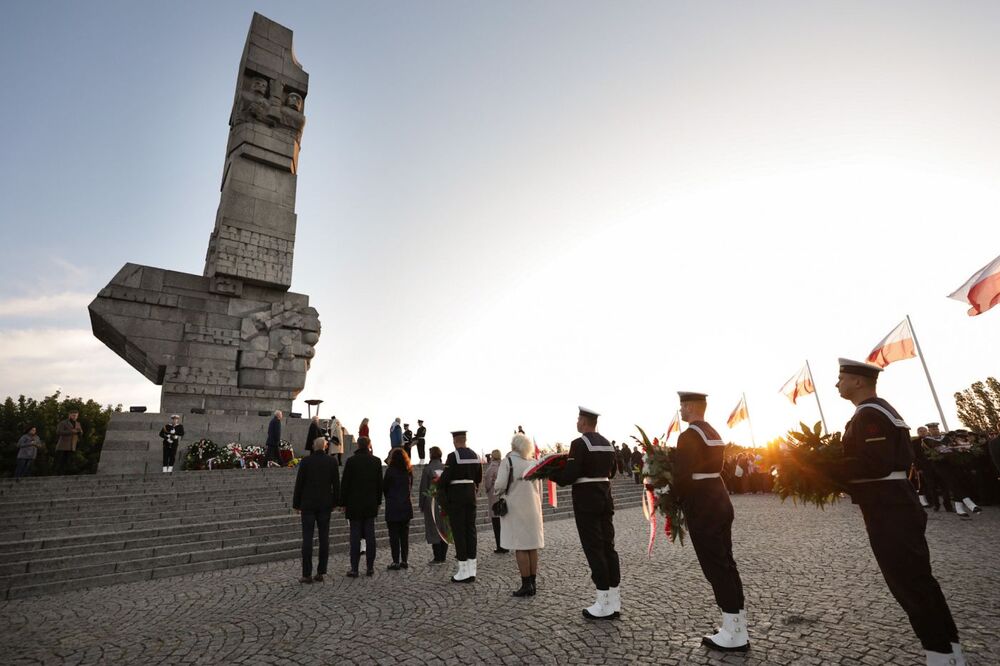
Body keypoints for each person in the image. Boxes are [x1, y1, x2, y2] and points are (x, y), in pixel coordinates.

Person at [822, 359, 965, 666]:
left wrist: (821, 467)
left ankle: (940, 655)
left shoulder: (870, 413)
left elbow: (875, 463)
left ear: (859, 382)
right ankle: (948, 652)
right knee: (919, 581)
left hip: (889, 506)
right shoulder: (878, 410)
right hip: (893, 502)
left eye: (841, 378)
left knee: (909, 584)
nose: (837, 384)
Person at [674, 392, 748, 652]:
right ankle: (736, 624)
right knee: (726, 562)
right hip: (719, 497)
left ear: (692, 407)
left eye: (683, 406)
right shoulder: (713, 432)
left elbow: (682, 475)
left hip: (703, 503)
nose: (681, 410)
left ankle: (734, 632)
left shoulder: (689, 436)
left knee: (715, 567)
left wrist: (670, 497)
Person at [551, 407, 621, 620]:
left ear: (583, 422)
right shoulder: (608, 443)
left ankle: (603, 602)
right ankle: (614, 598)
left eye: (578, 419)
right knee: (608, 546)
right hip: (604, 497)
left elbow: (570, 475)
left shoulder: (579, 443)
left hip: (586, 500)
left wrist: (551, 472)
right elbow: (613, 471)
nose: (577, 423)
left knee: (594, 548)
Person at [495, 433, 544, 597]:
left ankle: (526, 584)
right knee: (532, 545)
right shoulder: (533, 463)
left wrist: (498, 491)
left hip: (515, 508)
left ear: (513, 446)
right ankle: (533, 583)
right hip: (533, 508)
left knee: (520, 546)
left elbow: (500, 485)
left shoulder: (508, 462)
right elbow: (540, 490)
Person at [292, 436, 341, 583]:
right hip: (325, 504)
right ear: (326, 447)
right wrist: (336, 502)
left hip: (307, 504)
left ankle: (306, 574)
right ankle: (321, 571)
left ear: (314, 447)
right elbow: (336, 485)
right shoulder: (332, 461)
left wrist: (296, 504)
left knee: (307, 538)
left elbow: (299, 483)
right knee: (324, 538)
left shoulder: (306, 462)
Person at [438, 430, 482, 583]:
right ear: (465, 440)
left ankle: (463, 570)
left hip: (457, 498)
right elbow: (478, 478)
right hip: (471, 496)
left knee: (459, 532)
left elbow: (445, 479)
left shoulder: (453, 456)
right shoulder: (476, 455)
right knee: (471, 531)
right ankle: (472, 569)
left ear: (455, 441)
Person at [340, 436, 383, 577]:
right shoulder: (376, 461)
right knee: (370, 537)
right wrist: (378, 502)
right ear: (369, 445)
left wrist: (343, 503)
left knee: (355, 537)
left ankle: (354, 568)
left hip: (354, 505)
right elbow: (379, 485)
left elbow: (345, 484)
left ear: (358, 445)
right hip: (370, 505)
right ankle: (370, 567)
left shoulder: (351, 461)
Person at [383, 448, 414, 570]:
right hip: (406, 505)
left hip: (393, 506)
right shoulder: (409, 471)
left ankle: (395, 561)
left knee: (394, 536)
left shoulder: (390, 471)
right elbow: (410, 487)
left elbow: (384, 487)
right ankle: (404, 560)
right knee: (404, 536)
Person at [419, 446, 449, 564]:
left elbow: (423, 487)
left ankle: (437, 556)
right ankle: (444, 555)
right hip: (444, 502)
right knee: (444, 528)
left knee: (433, 528)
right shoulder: (445, 468)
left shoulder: (427, 469)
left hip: (431, 502)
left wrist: (422, 504)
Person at [483, 450, 508, 554]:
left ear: (492, 457)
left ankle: (500, 546)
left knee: (496, 525)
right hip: (504, 498)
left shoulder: (490, 469)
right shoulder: (504, 467)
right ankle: (506, 545)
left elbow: (487, 485)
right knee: (504, 524)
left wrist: (489, 488)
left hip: (494, 499)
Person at [55, 410, 83, 474]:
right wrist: (71, 432)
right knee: (60, 461)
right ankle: (58, 474)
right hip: (63, 445)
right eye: (73, 415)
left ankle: (66, 474)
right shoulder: (63, 423)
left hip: (73, 445)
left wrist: (80, 432)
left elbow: (80, 432)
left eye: (76, 416)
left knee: (69, 461)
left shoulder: (78, 423)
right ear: (69, 415)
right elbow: (58, 432)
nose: (75, 417)